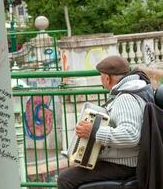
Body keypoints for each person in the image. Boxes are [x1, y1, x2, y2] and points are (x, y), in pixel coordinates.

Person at [57, 55, 154, 189]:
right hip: (125, 161)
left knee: (66, 179)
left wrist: (94, 131)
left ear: (108, 78)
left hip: (126, 165)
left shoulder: (126, 98)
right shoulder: (132, 90)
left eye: (101, 76)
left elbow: (131, 134)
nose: (101, 80)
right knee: (75, 169)